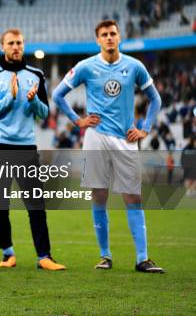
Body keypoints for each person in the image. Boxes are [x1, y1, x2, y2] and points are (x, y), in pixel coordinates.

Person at [52, 19, 164, 273]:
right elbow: (58, 95)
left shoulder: (134, 66)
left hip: (126, 139)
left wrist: (145, 127)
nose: (109, 37)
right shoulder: (86, 66)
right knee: (99, 196)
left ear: (119, 37)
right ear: (98, 40)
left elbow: (155, 99)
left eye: (113, 33)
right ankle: (105, 256)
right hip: (96, 137)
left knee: (133, 197)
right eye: (104, 34)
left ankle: (142, 258)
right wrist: (77, 120)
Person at [0, 28, 66, 271]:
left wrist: (33, 101)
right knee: (1, 204)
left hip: (27, 147)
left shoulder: (37, 75)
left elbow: (44, 113)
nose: (16, 47)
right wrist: (10, 96)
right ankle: (8, 253)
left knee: (36, 205)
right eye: (11, 43)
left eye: (19, 43)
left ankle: (44, 256)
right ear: (2, 47)